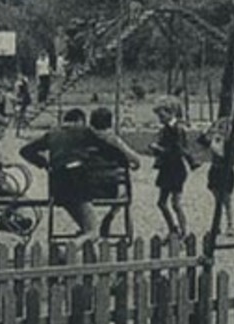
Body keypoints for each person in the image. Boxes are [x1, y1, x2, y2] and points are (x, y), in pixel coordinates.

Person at [20, 107, 135, 239]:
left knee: (87, 225)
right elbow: (111, 151)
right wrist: (125, 161)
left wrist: (45, 164)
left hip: (58, 189)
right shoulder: (84, 132)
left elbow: (25, 151)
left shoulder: (52, 134)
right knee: (93, 231)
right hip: (81, 186)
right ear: (80, 121)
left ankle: (82, 239)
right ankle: (74, 245)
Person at [88, 106, 142, 237]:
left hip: (87, 189)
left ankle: (87, 226)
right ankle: (110, 215)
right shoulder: (113, 140)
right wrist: (135, 165)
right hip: (110, 188)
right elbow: (135, 159)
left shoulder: (85, 139)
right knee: (124, 192)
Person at [149, 97, 192, 239]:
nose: (160, 119)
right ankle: (173, 229)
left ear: (171, 113)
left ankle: (183, 231)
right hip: (167, 169)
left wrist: (159, 149)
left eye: (161, 116)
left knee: (175, 203)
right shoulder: (166, 129)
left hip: (176, 169)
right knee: (162, 203)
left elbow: (177, 150)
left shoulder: (177, 129)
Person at [198, 118, 234, 237]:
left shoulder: (232, 142)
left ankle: (230, 225)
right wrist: (207, 132)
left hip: (226, 172)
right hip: (215, 171)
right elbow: (202, 141)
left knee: (226, 199)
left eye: (225, 128)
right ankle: (217, 225)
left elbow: (224, 153)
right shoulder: (216, 139)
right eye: (220, 128)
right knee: (217, 199)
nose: (222, 131)